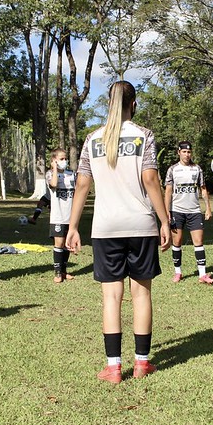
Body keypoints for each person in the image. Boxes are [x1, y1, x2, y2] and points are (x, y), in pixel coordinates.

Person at [66, 80, 171, 384]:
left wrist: (73, 227)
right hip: (140, 224)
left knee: (111, 297)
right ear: (133, 104)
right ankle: (141, 363)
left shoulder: (92, 139)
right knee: (141, 294)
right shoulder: (144, 136)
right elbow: (151, 178)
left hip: (105, 227)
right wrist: (165, 221)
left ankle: (113, 368)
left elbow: (82, 184)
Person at [164, 141, 213, 284]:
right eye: (184, 152)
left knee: (198, 241)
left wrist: (208, 207)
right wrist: (167, 211)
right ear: (178, 152)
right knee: (177, 241)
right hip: (177, 211)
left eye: (189, 152)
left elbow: (203, 189)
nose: (187, 154)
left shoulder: (197, 169)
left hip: (194, 211)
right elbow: (168, 192)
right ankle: (178, 272)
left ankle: (203, 274)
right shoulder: (173, 169)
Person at [47, 148, 76, 283]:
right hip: (58, 216)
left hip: (70, 215)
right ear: (54, 160)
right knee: (59, 242)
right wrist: (54, 168)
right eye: (61, 159)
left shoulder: (71, 174)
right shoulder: (50, 174)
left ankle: (64, 271)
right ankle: (57, 273)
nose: (65, 161)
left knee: (67, 243)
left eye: (66, 158)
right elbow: (53, 184)